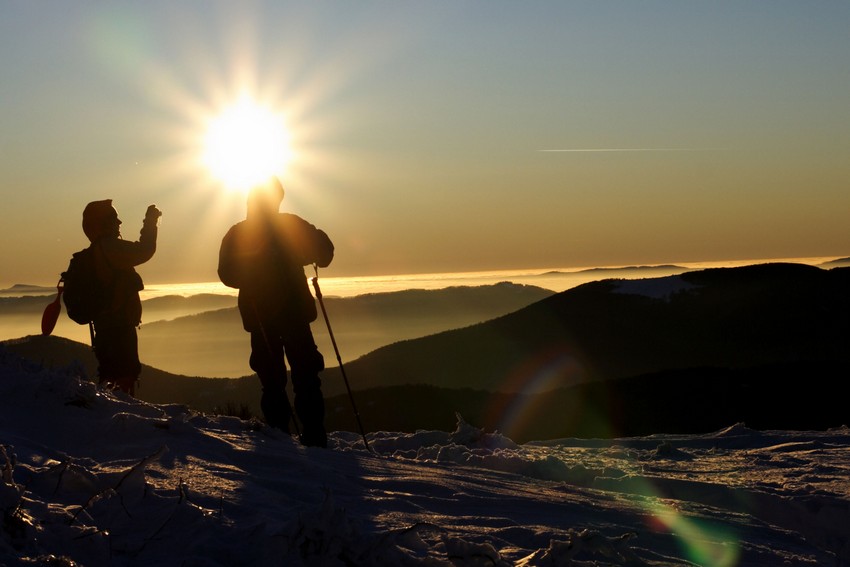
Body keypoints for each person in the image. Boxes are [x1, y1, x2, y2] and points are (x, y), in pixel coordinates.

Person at [218, 178, 334, 447]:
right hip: (293, 313)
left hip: (260, 316)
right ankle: (314, 435)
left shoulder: (237, 233)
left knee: (271, 379)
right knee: (305, 375)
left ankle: (278, 437)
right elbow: (325, 253)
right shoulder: (291, 225)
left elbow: (226, 273)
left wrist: (251, 271)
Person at [82, 200, 161, 395]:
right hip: (118, 327)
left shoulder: (96, 251)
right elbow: (145, 250)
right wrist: (150, 222)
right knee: (124, 376)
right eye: (114, 218)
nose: (119, 222)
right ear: (103, 224)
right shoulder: (110, 248)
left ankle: (111, 415)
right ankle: (123, 418)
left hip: (105, 327)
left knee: (111, 374)